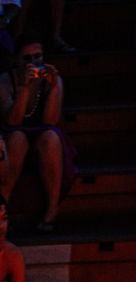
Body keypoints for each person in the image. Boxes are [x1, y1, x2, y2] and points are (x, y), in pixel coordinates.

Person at [0, 33, 73, 233]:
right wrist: (25, 87)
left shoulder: (52, 79)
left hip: (43, 133)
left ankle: (52, 209)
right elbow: (13, 121)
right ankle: (3, 207)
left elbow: (51, 120)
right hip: (13, 134)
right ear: (16, 60)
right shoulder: (5, 82)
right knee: (17, 139)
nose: (34, 62)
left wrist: (54, 87)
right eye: (27, 58)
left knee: (51, 138)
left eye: (38, 57)